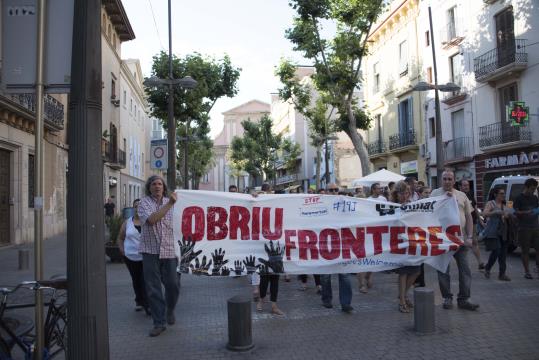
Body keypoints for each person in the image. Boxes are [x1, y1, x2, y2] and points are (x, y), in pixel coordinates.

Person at [431, 170, 479, 311]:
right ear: (441, 180)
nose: (447, 181)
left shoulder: (462, 195)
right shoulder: (434, 194)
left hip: (461, 240)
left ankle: (464, 299)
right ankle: (447, 298)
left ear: (454, 181)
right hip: (443, 240)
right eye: (444, 179)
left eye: (449, 179)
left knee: (465, 270)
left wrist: (469, 236)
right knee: (443, 271)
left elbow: (469, 217)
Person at [138, 175, 179, 337]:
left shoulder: (174, 202)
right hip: (150, 251)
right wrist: (170, 204)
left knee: (173, 284)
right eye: (154, 184)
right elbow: (152, 220)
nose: (157, 186)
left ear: (164, 187)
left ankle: (170, 309)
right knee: (154, 289)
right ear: (149, 187)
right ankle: (159, 322)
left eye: (160, 184)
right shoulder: (143, 203)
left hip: (169, 250)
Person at [320, 183, 354, 313]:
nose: (334, 192)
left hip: (342, 244)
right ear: (326, 191)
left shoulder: (344, 204)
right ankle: (327, 299)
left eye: (336, 190)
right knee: (325, 276)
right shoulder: (320, 205)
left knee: (345, 275)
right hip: (325, 244)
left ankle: (346, 303)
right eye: (331, 190)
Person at [391, 181, 421, 313]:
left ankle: (403, 294)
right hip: (399, 242)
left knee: (416, 270)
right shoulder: (391, 206)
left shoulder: (413, 205)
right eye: (402, 193)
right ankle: (402, 300)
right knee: (403, 272)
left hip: (412, 241)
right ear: (396, 194)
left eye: (407, 192)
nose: (405, 195)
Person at [256, 183, 285, 315]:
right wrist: (256, 197)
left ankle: (274, 305)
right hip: (263, 247)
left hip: (277, 248)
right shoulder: (260, 202)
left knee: (275, 280)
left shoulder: (278, 202)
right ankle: (261, 301)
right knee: (264, 278)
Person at [117, 199, 150, 315]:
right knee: (136, 280)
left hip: (145, 256)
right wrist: (122, 250)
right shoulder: (127, 222)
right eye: (136, 206)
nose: (138, 208)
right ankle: (139, 301)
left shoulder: (148, 222)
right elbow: (120, 238)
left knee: (144, 280)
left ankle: (147, 304)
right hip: (130, 257)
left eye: (140, 206)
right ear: (133, 208)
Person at [482, 187, 511, 281]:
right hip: (493, 231)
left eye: (503, 193)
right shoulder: (491, 203)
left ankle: (502, 274)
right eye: (501, 193)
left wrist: (508, 214)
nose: (503, 195)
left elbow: (509, 214)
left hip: (504, 231)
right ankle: (487, 267)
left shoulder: (506, 204)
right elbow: (484, 213)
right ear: (495, 194)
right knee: (497, 250)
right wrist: (495, 212)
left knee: (503, 254)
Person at [513, 178, 539, 279]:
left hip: (535, 226)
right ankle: (527, 272)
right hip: (524, 228)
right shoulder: (519, 198)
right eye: (532, 189)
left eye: (535, 189)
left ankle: (537, 267)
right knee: (525, 250)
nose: (533, 191)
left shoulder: (535, 198)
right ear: (526, 187)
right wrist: (525, 213)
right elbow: (515, 212)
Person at [460, 180, 485, 270]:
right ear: (460, 187)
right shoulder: (458, 196)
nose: (466, 187)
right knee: (463, 243)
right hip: (462, 223)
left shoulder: (471, 194)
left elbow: (475, 208)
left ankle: (480, 262)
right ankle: (463, 263)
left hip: (473, 222)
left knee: (474, 241)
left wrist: (480, 220)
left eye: (467, 185)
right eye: (464, 185)